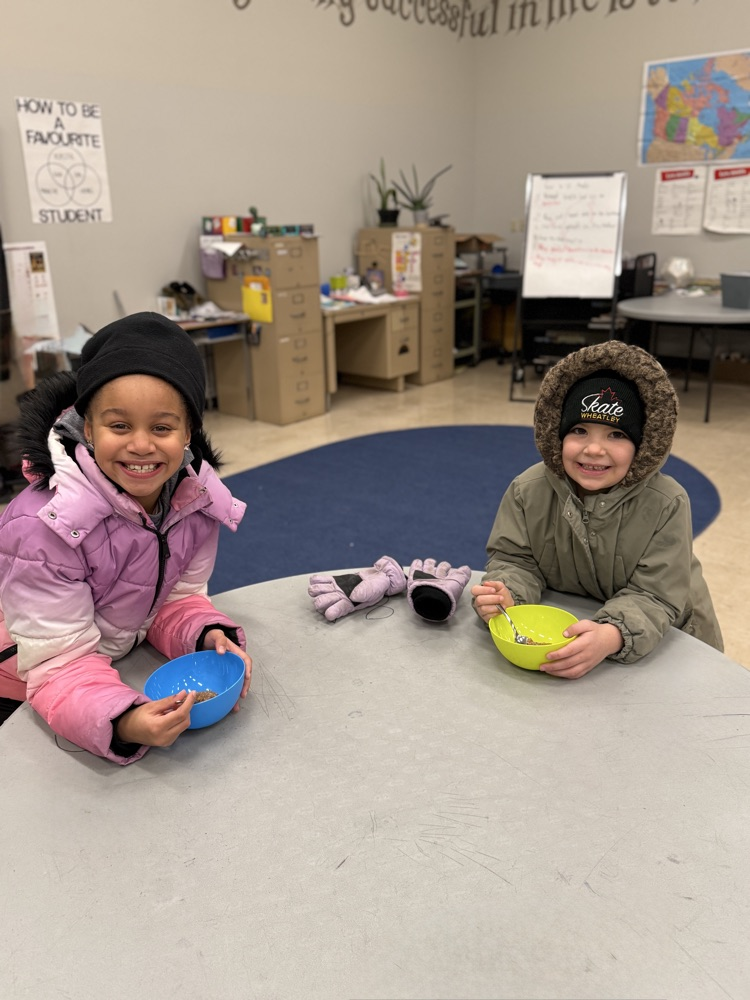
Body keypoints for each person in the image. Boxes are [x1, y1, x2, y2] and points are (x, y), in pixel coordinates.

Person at [0, 312, 251, 761]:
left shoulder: (194, 504)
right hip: (22, 684)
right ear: (89, 430)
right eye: (120, 426)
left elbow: (173, 600)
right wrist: (122, 721)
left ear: (188, 431)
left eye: (161, 427)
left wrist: (204, 632)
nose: (140, 445)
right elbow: (56, 664)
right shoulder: (46, 528)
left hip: (103, 666)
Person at [471, 340, 723, 679]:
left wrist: (613, 634)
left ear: (644, 445)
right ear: (555, 435)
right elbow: (515, 559)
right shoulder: (527, 490)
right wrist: (507, 591)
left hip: (670, 638)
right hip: (575, 624)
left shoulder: (667, 503)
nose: (593, 449)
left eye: (616, 435)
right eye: (579, 430)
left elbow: (655, 596)